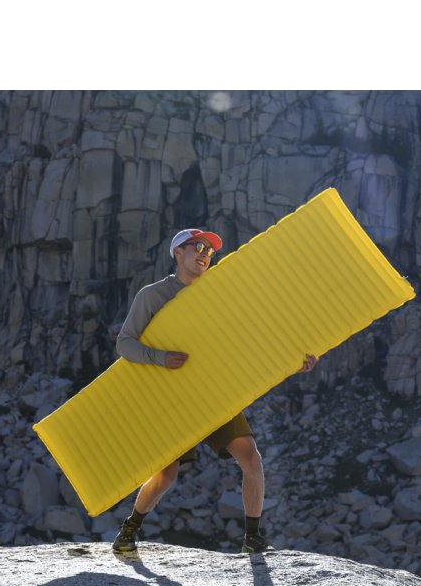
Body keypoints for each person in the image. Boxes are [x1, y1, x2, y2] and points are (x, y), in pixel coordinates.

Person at [112, 227, 318, 555]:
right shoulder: (153, 295)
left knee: (251, 458)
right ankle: (128, 531)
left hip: (213, 393)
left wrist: (294, 363)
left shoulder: (219, 294)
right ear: (178, 252)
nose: (205, 254)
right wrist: (160, 358)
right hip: (172, 397)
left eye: (210, 250)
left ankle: (252, 539)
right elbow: (125, 343)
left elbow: (249, 341)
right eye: (198, 246)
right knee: (166, 474)